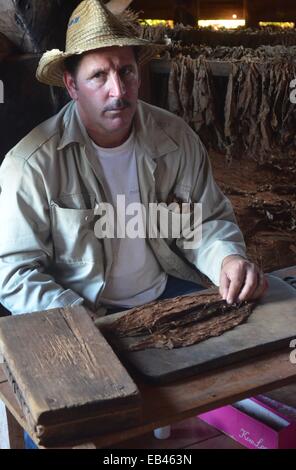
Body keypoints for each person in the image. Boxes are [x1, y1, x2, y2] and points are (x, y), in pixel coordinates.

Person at [0, 0, 267, 321]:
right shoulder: (32, 165)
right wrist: (79, 320)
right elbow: (14, 272)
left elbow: (205, 223)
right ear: (72, 86)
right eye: (98, 76)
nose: (118, 90)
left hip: (168, 290)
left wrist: (227, 259)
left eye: (126, 71)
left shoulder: (175, 140)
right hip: (84, 308)